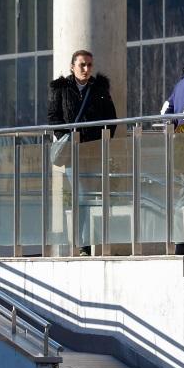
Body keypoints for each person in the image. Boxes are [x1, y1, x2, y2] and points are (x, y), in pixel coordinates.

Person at [47, 49, 118, 256]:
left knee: (89, 195)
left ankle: (83, 243)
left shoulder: (99, 88)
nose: (86, 69)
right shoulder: (60, 89)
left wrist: (101, 142)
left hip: (93, 151)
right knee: (82, 194)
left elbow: (111, 118)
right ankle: (82, 244)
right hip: (72, 152)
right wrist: (67, 137)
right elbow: (53, 117)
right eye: (82, 65)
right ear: (72, 66)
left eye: (89, 65)